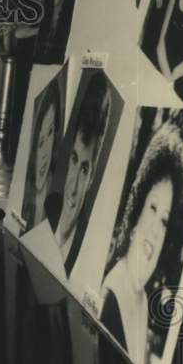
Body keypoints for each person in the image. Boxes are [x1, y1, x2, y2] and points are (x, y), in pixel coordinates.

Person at [100, 127, 183, 364]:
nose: (155, 231)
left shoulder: (141, 298)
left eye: (164, 220)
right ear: (136, 213)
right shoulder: (112, 297)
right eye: (152, 208)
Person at [48, 72, 112, 271]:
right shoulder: (48, 207)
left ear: (92, 177)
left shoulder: (89, 247)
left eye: (84, 169)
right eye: (74, 160)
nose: (73, 187)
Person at [21, 79, 62, 231]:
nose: (44, 154)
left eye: (50, 132)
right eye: (40, 141)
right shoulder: (22, 197)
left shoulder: (57, 201)